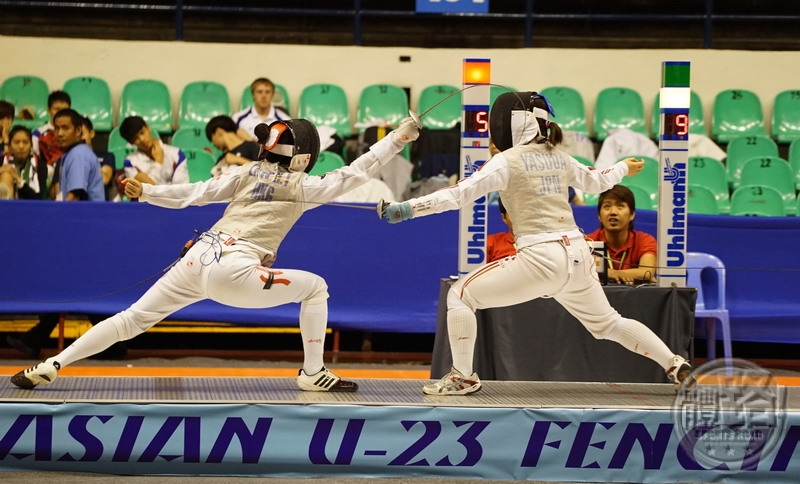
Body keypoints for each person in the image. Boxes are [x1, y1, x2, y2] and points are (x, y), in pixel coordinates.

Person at [11, 116, 420, 392]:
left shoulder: (243, 172)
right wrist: (400, 136)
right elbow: (361, 168)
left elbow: (195, 194)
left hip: (197, 258)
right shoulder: (306, 186)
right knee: (316, 289)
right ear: (304, 157)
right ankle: (313, 373)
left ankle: (53, 364)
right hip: (235, 272)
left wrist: (147, 191)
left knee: (131, 319)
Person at [380, 91, 694, 395]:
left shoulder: (506, 161)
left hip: (541, 256)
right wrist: (625, 167)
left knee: (460, 295)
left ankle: (462, 377)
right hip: (578, 255)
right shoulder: (558, 156)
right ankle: (674, 362)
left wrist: (408, 208)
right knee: (609, 323)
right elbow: (598, 180)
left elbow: (458, 194)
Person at [586, 185, 657, 284]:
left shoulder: (644, 240)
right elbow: (584, 273)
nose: (613, 212)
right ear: (599, 216)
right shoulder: (589, 241)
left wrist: (613, 273)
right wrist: (627, 275)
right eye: (607, 206)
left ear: (632, 214)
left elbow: (647, 272)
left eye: (620, 206)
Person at [119, 115, 188, 186]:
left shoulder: (177, 154)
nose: (142, 139)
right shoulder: (130, 163)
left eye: (142, 133)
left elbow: (182, 189)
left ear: (148, 127)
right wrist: (158, 162)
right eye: (136, 138)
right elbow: (149, 190)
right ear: (131, 142)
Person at [0, 125, 48, 199]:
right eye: (16, 142)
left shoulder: (40, 165)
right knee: (6, 175)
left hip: (30, 207)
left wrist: (19, 180)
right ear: (10, 146)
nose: (21, 146)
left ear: (31, 146)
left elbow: (38, 199)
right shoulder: (1, 161)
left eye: (25, 142)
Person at [32, 90, 72, 168]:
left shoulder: (75, 132)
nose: (61, 113)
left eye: (65, 110)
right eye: (57, 109)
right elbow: (36, 158)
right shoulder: (37, 134)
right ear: (49, 111)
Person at [486, 197, 516, 263]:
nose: (518, 218)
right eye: (513, 214)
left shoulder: (542, 242)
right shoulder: (490, 243)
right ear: (504, 217)